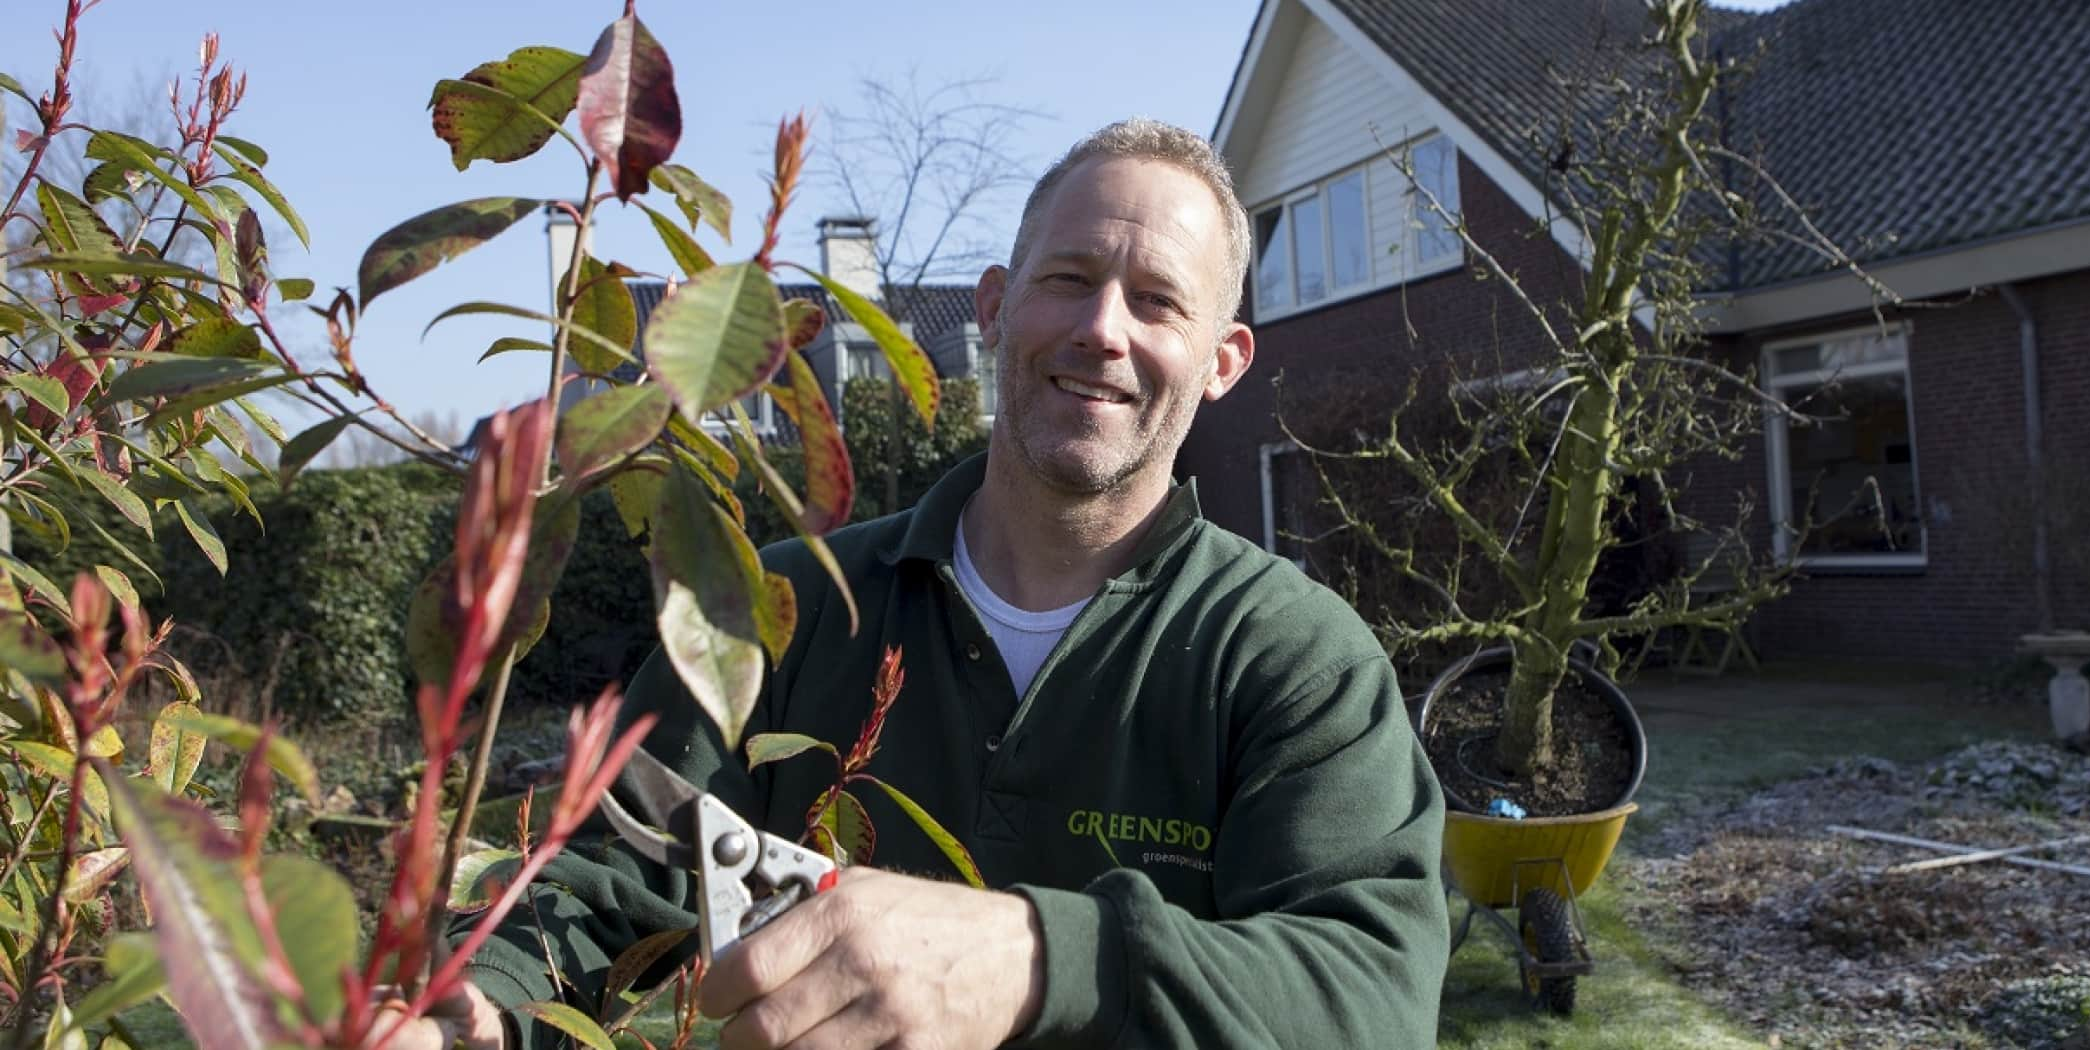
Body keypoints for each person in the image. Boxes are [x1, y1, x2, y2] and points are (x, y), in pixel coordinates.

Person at [389, 118, 1449, 1050]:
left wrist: (1042, 959)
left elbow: (1370, 999)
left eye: (1158, 302)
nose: (1103, 330)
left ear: (1220, 361)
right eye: (1068, 279)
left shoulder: (1293, 660)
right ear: (993, 307)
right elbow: (611, 871)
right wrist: (486, 1000)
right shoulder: (780, 609)